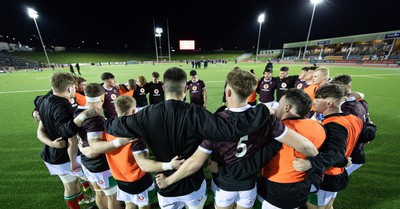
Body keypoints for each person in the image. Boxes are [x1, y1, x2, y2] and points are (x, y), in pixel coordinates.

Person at [103, 67, 283, 209]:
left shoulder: (145, 115)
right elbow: (230, 129)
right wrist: (262, 110)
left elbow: (113, 126)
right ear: (186, 88)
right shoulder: (198, 114)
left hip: (165, 184)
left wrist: (95, 120)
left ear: (164, 87)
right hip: (193, 184)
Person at [154, 70, 319, 209]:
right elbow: (307, 147)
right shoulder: (267, 118)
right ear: (251, 92)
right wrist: (311, 161)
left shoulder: (216, 122)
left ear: (228, 92)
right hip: (248, 185)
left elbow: (195, 162)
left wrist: (169, 180)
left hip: (224, 185)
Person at [293, 83, 369, 209]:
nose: (314, 102)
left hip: (326, 175)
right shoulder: (353, 119)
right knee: (328, 206)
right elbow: (365, 137)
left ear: (329, 103)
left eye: (317, 99)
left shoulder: (333, 125)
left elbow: (335, 154)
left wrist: (310, 164)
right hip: (337, 175)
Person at [36, 72, 99, 209]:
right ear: (69, 88)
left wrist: (35, 112)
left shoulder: (43, 100)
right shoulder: (62, 106)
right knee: (96, 182)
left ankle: (80, 202)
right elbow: (67, 133)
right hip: (67, 156)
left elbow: (37, 107)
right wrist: (83, 116)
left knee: (70, 185)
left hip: (52, 154)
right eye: (74, 87)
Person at [257, 89, 326, 209]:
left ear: (287, 108)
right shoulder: (319, 127)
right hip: (303, 186)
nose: (277, 108)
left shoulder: (277, 130)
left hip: (276, 187)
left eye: (279, 105)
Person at [74, 83, 121, 209]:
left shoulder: (78, 111)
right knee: (112, 196)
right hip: (100, 166)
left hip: (88, 164)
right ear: (102, 97)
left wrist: (81, 148)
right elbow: (94, 150)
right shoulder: (96, 119)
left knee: (99, 192)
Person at [333, 75, 377, 175]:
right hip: (354, 151)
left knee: (334, 181)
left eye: (339, 86)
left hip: (352, 154)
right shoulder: (358, 103)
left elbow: (360, 129)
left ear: (348, 86)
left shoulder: (348, 108)